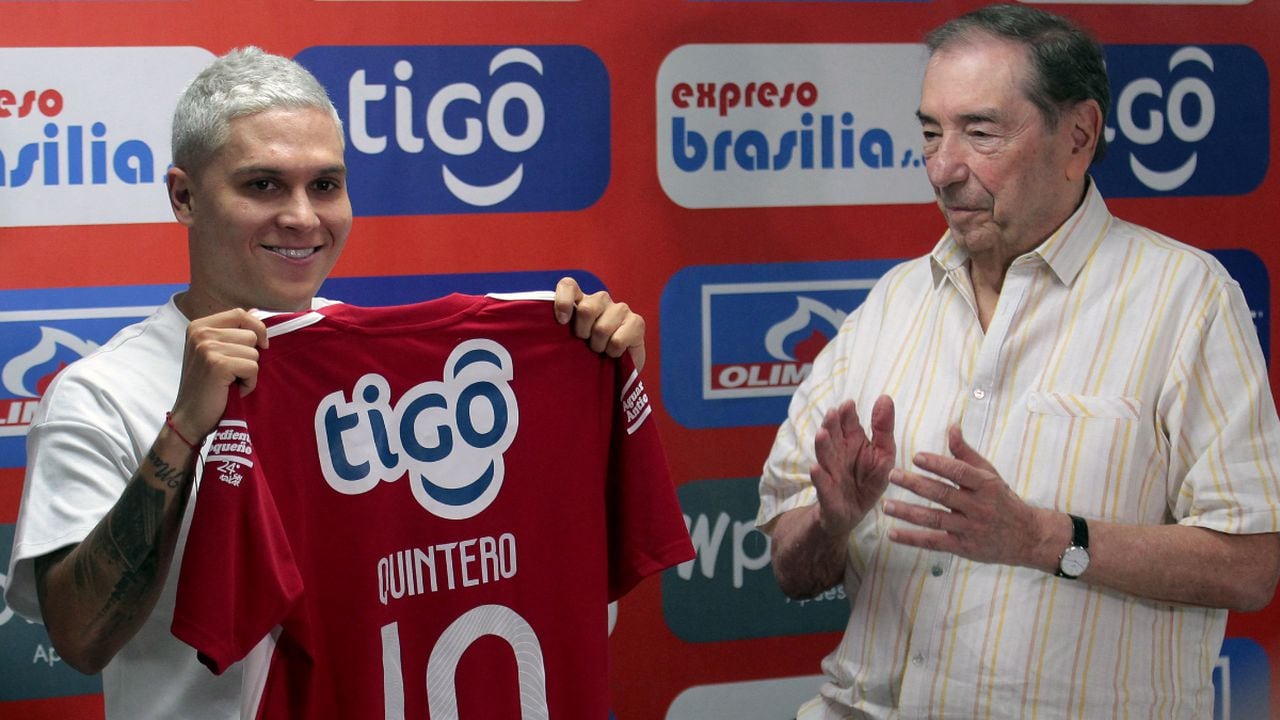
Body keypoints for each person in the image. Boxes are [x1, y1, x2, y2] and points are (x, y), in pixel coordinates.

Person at [4, 46, 649, 720]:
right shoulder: (100, 393)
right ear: (184, 196)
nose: (304, 218)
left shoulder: (395, 373)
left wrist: (592, 367)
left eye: (325, 185)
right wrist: (184, 427)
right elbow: (80, 638)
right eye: (263, 186)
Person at [758, 5, 1280, 718]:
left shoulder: (1187, 302)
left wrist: (1044, 538)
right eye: (930, 132)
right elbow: (792, 567)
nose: (944, 169)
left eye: (980, 132)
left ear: (1078, 137)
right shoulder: (889, 306)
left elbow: (1252, 565)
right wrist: (832, 521)